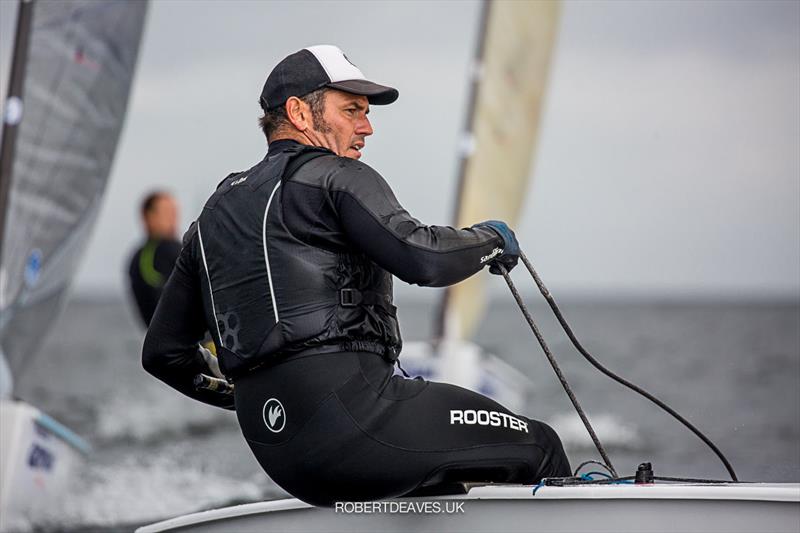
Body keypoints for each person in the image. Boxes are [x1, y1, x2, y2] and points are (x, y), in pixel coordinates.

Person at [142, 45, 570, 506]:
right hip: (356, 421)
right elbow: (421, 257)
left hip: (278, 449)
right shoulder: (337, 176)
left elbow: (164, 353)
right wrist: (488, 240)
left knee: (443, 488)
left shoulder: (213, 215)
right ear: (299, 113)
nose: (366, 127)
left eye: (366, 113)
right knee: (539, 446)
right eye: (351, 110)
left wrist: (245, 394)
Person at [128, 191, 181, 327]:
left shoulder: (179, 247)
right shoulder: (148, 257)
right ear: (149, 217)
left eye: (174, 212)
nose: (173, 218)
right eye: (167, 213)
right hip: (184, 341)